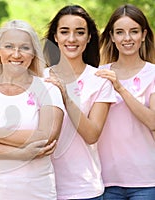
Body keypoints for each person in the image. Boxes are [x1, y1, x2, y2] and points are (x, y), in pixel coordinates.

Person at [0, 19, 64, 199]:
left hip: (36, 192)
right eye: (9, 46)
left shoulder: (48, 89)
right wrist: (21, 153)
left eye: (25, 47)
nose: (16, 54)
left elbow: (46, 136)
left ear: (33, 54)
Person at [43, 5, 116, 200]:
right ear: (55, 36)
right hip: (41, 187)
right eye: (64, 32)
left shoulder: (99, 80)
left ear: (89, 37)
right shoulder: (38, 79)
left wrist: (66, 97)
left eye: (80, 32)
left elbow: (92, 134)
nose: (72, 39)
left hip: (84, 189)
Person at [96, 4, 155, 199]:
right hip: (105, 180)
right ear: (112, 36)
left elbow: (153, 121)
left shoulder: (152, 74)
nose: (127, 38)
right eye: (120, 32)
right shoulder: (99, 74)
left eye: (134, 31)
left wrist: (120, 88)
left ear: (143, 34)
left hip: (146, 182)